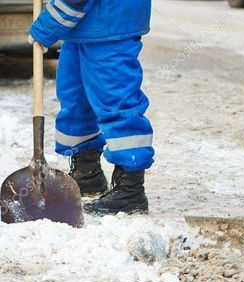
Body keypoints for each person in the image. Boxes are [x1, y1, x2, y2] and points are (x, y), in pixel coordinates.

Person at [29, 0, 154, 215]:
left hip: (110, 22)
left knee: (117, 104)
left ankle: (130, 189)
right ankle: (87, 173)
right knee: (76, 100)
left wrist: (46, 26)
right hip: (82, 24)